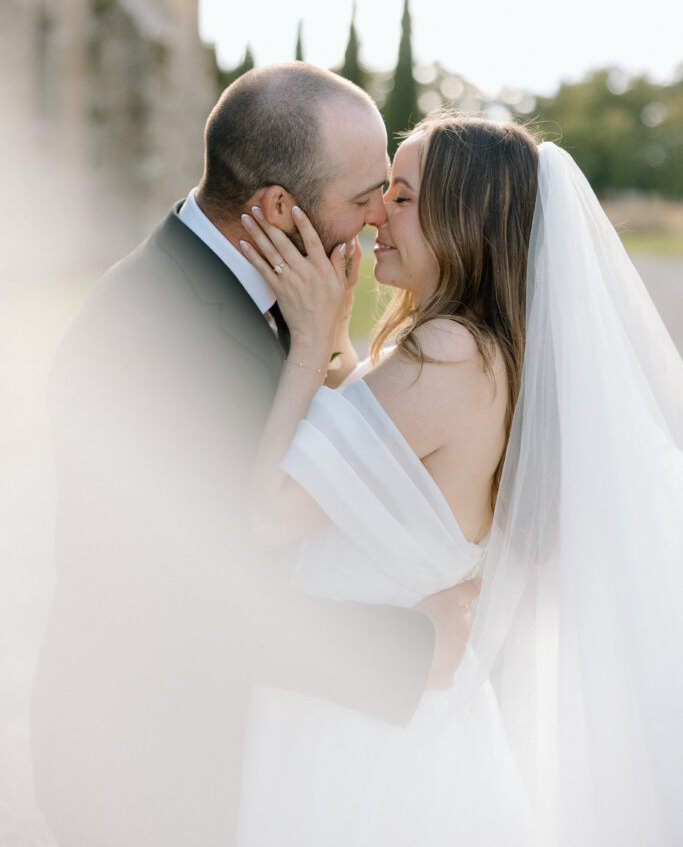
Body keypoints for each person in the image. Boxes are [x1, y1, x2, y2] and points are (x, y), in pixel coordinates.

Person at [31, 65, 477, 847]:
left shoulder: (255, 292)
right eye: (364, 194)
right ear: (276, 207)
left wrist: (321, 343)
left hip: (213, 754)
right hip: (142, 774)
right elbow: (188, 602)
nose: (379, 218)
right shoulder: (151, 333)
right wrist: (412, 649)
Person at [236, 113, 683, 846]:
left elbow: (273, 513)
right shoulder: (479, 350)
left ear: (464, 218)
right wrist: (342, 341)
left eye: (403, 197)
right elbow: (377, 450)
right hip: (397, 698)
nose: (377, 211)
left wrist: (310, 342)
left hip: (361, 727)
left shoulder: (443, 353)